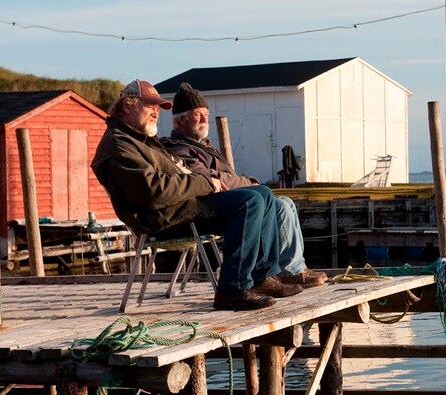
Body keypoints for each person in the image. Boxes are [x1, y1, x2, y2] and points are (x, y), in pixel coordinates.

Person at [90, 79, 303, 311]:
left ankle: (261, 277)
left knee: (262, 193)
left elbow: (173, 178)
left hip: (182, 206)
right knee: (249, 202)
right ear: (128, 105)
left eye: (157, 108)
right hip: (162, 218)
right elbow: (153, 192)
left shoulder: (139, 140)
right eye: (149, 106)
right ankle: (232, 289)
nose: (155, 113)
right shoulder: (119, 145)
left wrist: (205, 184)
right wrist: (205, 183)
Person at [160, 82, 327, 289]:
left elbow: (225, 176)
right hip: (207, 207)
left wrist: (240, 182)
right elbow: (208, 178)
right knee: (278, 206)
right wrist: (248, 183)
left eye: (206, 114)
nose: (205, 119)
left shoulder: (203, 147)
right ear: (181, 120)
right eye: (198, 114)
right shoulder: (177, 149)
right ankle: (282, 272)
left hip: (227, 199)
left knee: (286, 201)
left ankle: (293, 268)